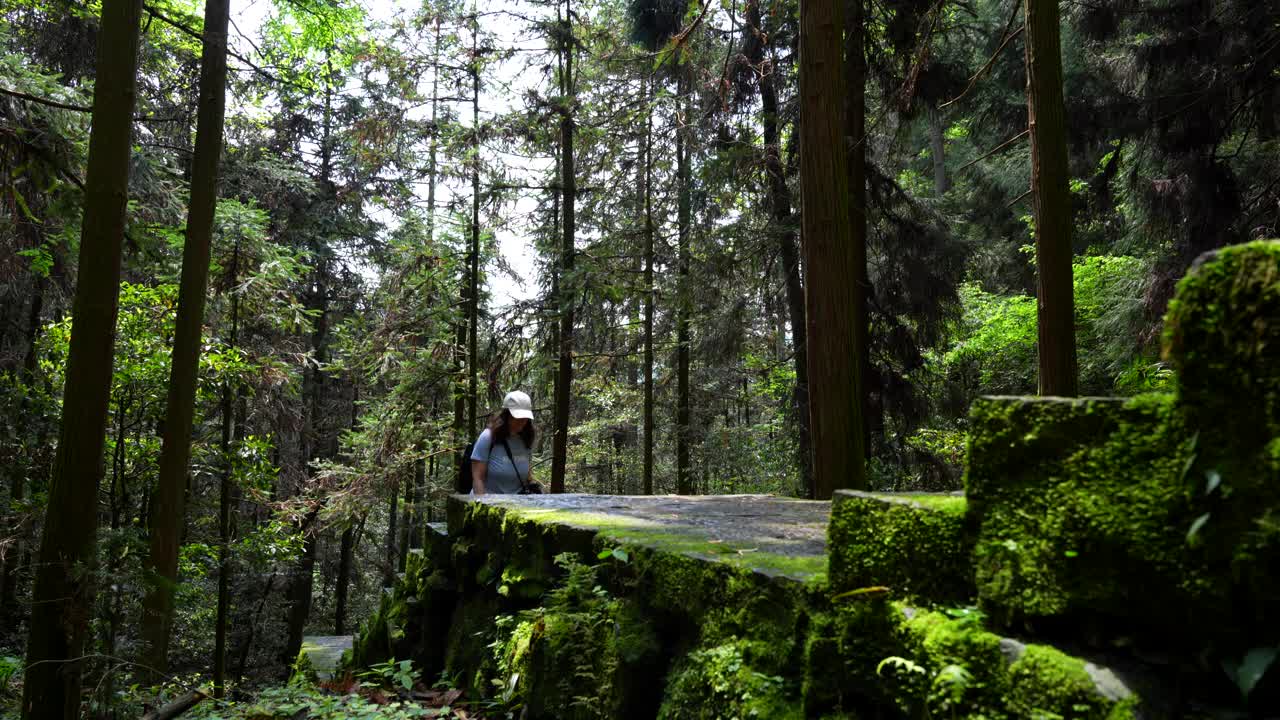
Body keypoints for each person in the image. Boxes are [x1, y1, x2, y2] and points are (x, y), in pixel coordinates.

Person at [470, 390, 536, 495]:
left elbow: (525, 470)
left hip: (516, 505)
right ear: (506, 416)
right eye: (517, 417)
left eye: (525, 418)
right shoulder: (488, 437)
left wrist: (533, 485)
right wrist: (482, 507)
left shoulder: (525, 438)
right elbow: (478, 478)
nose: (522, 421)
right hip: (490, 504)